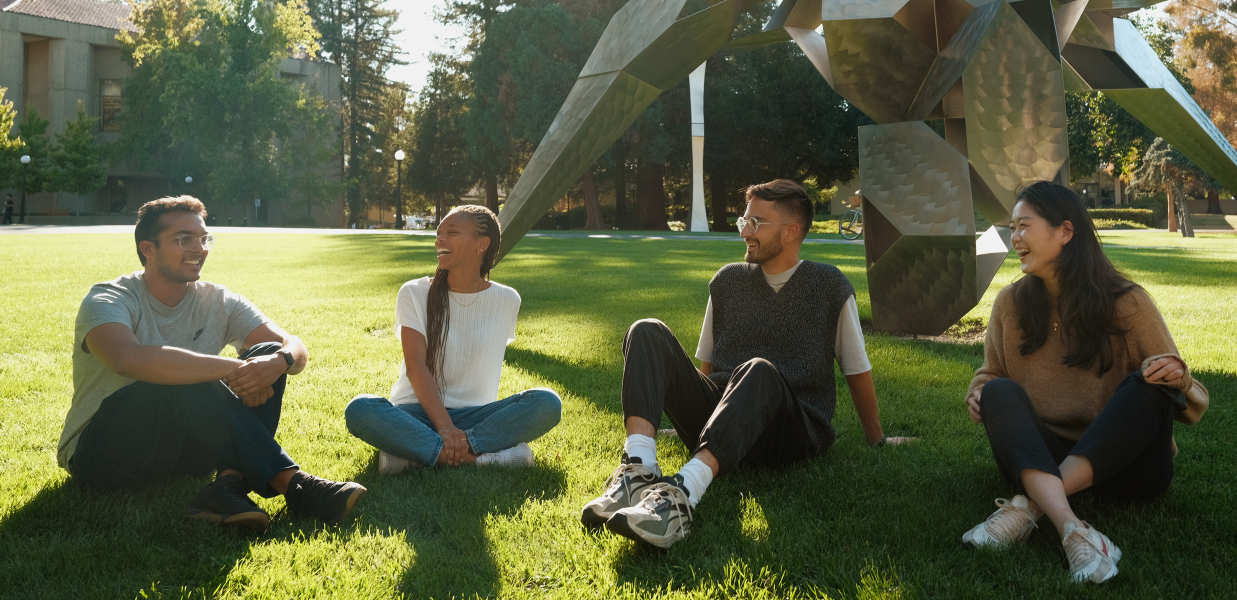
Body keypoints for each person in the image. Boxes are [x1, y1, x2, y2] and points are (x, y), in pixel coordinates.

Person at [581, 179, 886, 549]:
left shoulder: (829, 286)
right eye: (745, 221)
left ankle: (681, 497)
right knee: (647, 331)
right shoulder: (727, 281)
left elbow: (856, 370)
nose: (745, 231)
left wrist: (877, 439)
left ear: (791, 232)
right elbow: (705, 371)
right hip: (729, 413)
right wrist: (694, 424)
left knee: (757, 369)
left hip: (791, 429)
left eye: (757, 222)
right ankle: (638, 471)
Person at [58, 196, 367, 532]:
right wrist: (230, 369)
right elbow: (125, 359)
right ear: (148, 248)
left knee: (264, 351)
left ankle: (226, 486)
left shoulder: (217, 299)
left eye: (204, 238)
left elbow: (292, 345)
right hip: (104, 457)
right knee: (188, 376)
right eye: (184, 239)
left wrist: (281, 360)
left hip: (187, 457)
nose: (199, 248)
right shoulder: (109, 298)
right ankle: (296, 485)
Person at [961, 181, 1208, 583]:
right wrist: (979, 395)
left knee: (1149, 384)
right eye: (1013, 227)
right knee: (998, 390)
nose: (1015, 237)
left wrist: (1178, 377)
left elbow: (1190, 397)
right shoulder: (1010, 303)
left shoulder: (1128, 302)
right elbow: (990, 375)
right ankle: (1073, 529)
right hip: (1040, 456)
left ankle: (1030, 508)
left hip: (1127, 468)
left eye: (1024, 225)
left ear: (1066, 231)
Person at [345, 205, 561, 474]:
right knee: (360, 409)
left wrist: (457, 430)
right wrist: (445, 427)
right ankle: (485, 459)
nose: (439, 239)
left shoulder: (507, 300)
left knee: (547, 403)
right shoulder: (414, 292)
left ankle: (414, 455)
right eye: (438, 233)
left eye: (452, 232)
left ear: (482, 244)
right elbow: (416, 367)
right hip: (416, 413)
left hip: (476, 418)